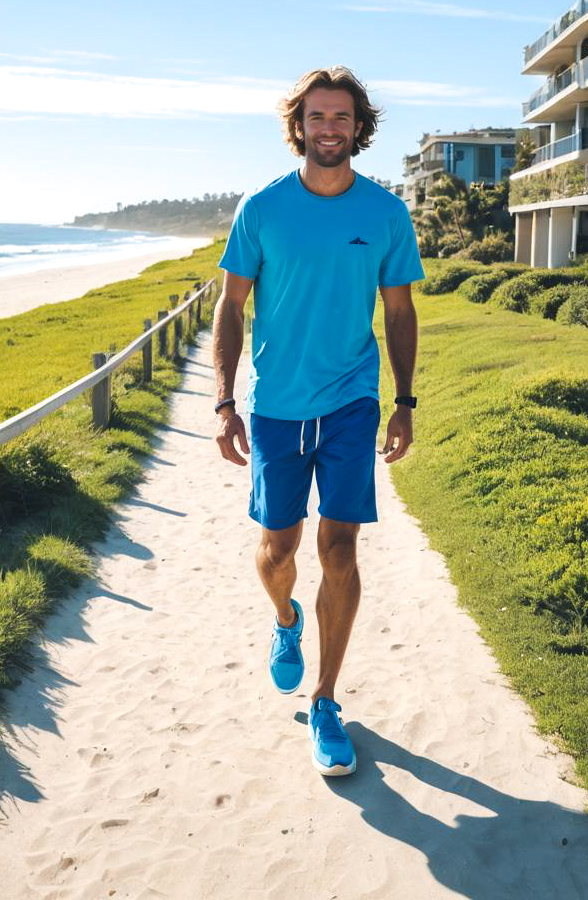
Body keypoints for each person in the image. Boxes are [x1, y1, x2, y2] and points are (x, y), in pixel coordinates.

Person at [211, 66, 424, 776]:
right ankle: (285, 621)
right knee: (278, 551)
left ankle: (328, 700)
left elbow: (399, 311)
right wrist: (223, 402)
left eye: (341, 117)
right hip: (276, 406)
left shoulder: (386, 214)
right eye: (316, 116)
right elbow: (230, 307)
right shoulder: (262, 209)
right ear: (297, 124)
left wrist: (404, 401)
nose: (328, 128)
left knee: (340, 550)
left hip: (350, 401)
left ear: (358, 126)